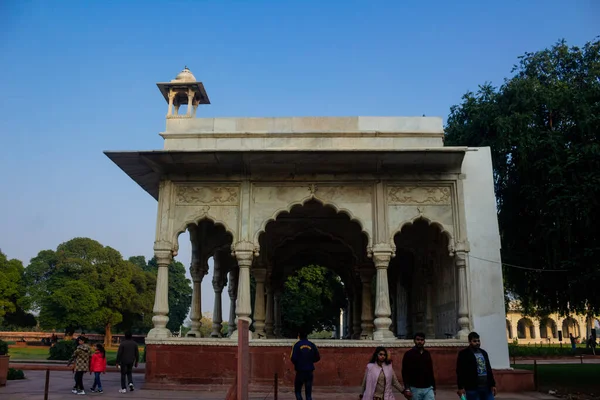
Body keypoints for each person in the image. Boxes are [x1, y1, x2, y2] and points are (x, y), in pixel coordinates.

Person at [456, 332, 496, 400]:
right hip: (472, 388)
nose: (477, 343)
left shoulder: (483, 353)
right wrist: (460, 387)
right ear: (469, 341)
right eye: (474, 341)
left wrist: (493, 384)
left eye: (478, 341)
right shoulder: (464, 354)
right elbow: (460, 371)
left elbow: (488, 369)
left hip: (486, 387)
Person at [402, 332, 436, 400]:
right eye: (418, 340)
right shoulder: (408, 354)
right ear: (414, 341)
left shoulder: (427, 354)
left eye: (422, 340)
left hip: (428, 388)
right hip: (415, 388)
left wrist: (434, 387)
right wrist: (407, 388)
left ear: (424, 341)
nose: (420, 342)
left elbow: (430, 370)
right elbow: (405, 372)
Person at [290, 330, 321, 400]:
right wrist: (310, 361)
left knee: (298, 391)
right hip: (309, 370)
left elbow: (293, 358)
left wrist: (298, 364)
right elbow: (318, 357)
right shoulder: (312, 344)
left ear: (299, 336)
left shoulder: (296, 345)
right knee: (308, 392)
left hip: (300, 370)